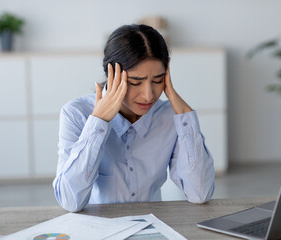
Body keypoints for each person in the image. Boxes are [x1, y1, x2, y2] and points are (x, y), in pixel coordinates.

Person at [53, 24, 215, 212]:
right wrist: (98, 122)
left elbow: (200, 193)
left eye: (157, 80)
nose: (148, 95)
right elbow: (69, 201)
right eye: (135, 82)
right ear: (111, 74)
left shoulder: (171, 117)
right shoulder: (76, 114)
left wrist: (186, 115)